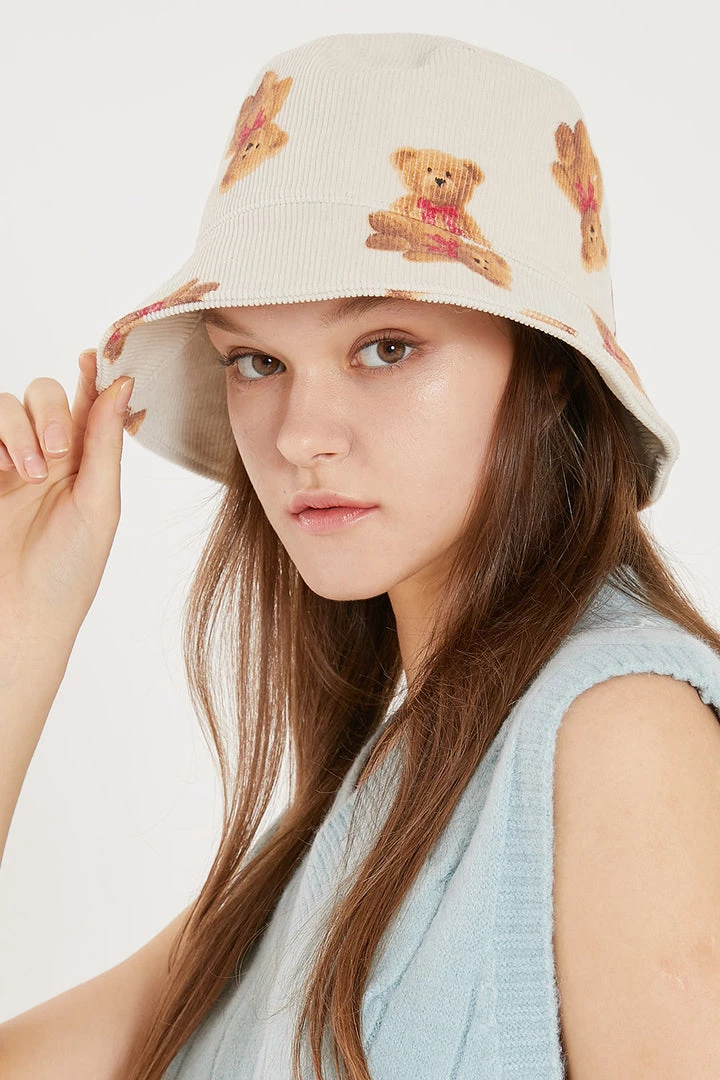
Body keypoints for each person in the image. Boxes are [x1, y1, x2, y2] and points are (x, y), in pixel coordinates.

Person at [2, 30, 720, 1080]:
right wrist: (22, 620)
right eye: (257, 361)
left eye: (386, 347)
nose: (301, 436)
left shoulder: (618, 728)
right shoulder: (347, 821)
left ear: (549, 374)